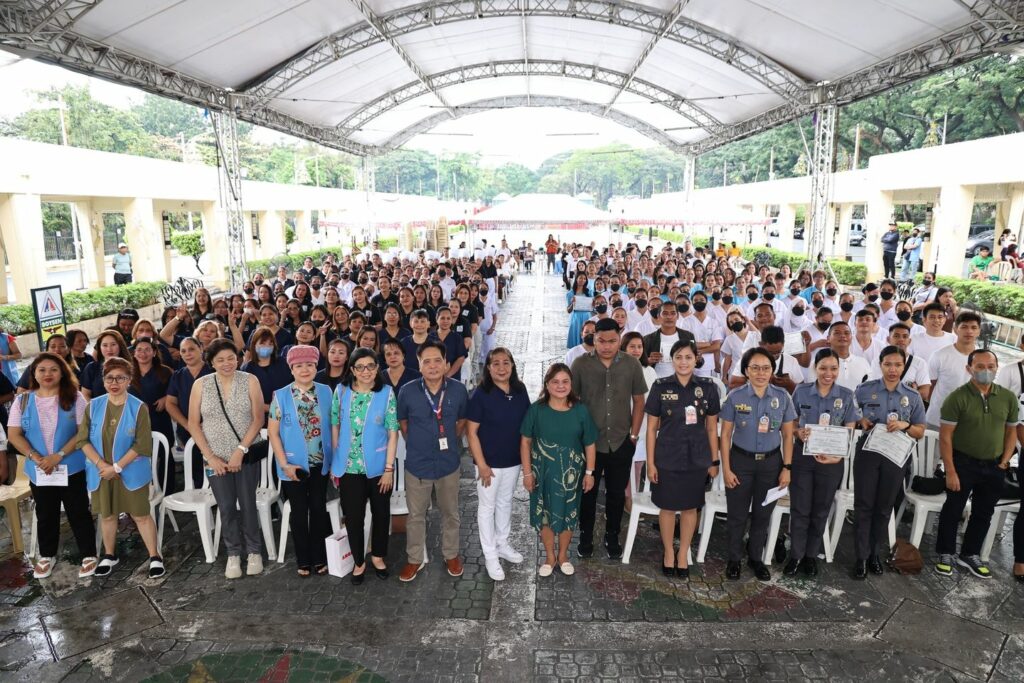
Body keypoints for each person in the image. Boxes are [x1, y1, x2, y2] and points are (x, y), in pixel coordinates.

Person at [7, 353, 95, 580]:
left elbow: (83, 432)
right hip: (39, 470)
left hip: (71, 467)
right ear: (33, 373)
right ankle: (47, 555)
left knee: (78, 511)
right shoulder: (22, 401)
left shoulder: (75, 397)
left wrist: (58, 456)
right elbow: (14, 435)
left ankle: (88, 553)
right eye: (42, 370)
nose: (48, 374)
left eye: (54, 369)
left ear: (62, 373)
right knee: (46, 512)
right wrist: (36, 457)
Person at [934, 349, 1018, 579]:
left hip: (994, 466)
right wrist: (950, 470)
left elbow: (1011, 431)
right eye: (980, 366)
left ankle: (970, 554)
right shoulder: (957, 397)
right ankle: (945, 552)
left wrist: (1004, 461)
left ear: (997, 368)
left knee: (984, 512)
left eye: (991, 366)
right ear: (969, 369)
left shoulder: (1007, 397)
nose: (986, 371)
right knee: (953, 509)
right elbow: (945, 437)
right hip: (963, 463)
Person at [188, 338, 267, 579]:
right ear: (211, 362)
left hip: (245, 455)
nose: (227, 363)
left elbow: (258, 419)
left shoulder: (250, 380)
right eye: (220, 360)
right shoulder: (201, 384)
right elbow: (193, 423)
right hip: (215, 459)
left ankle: (254, 551)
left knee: (248, 503)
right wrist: (210, 457)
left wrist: (240, 450)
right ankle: (233, 553)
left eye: (231, 358)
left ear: (238, 358)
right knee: (226, 506)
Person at [77, 357, 163, 578]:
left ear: (129, 380)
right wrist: (102, 465)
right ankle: (109, 554)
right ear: (103, 380)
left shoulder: (138, 407)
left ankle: (154, 556)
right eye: (109, 378)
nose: (114, 383)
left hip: (130, 471)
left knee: (141, 515)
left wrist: (116, 467)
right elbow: (82, 440)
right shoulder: (93, 406)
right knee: (107, 515)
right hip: (101, 472)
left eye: (120, 378)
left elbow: (142, 445)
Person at [571, 318, 647, 559]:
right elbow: (572, 401)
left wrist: (633, 436)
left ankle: (612, 536)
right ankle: (585, 537)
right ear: (593, 339)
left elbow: (639, 401)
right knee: (587, 494)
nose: (606, 346)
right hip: (589, 444)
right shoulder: (581, 364)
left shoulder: (631, 364)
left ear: (619, 338)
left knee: (615, 494)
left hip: (621, 441)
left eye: (612, 341)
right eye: (601, 341)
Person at [719, 347, 796, 582]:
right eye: (755, 368)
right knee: (737, 515)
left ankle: (755, 558)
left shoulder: (782, 397)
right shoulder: (735, 397)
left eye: (766, 368)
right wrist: (726, 469)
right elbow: (725, 435)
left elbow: (788, 436)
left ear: (772, 371)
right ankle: (734, 559)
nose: (761, 373)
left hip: (771, 464)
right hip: (740, 462)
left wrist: (787, 468)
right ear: (746, 371)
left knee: (763, 514)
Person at [644, 340, 720, 578]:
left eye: (688, 357)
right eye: (678, 357)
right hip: (667, 458)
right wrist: (651, 463)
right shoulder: (660, 386)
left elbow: (712, 428)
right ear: (672, 360)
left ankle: (683, 552)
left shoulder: (708, 387)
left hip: (697, 459)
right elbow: (651, 429)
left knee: (690, 508)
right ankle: (668, 552)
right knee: (667, 508)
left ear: (696, 359)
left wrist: (714, 461)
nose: (683, 362)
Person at [396, 341, 469, 582]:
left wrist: (449, 439)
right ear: (419, 365)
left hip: (448, 463)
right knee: (416, 515)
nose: (433, 366)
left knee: (450, 513)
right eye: (426, 361)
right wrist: (417, 442)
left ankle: (451, 554)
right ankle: (414, 559)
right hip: (418, 464)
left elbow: (461, 421)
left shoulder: (458, 390)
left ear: (446, 363)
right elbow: (403, 423)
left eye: (437, 360)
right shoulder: (407, 391)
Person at [852, 346, 926, 579]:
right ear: (880, 365)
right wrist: (861, 420)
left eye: (898, 365)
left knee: (885, 507)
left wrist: (906, 425)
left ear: (904, 367)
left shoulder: (912, 396)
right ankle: (861, 557)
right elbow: (850, 416)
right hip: (868, 454)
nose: (893, 369)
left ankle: (874, 553)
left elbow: (920, 431)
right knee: (864, 505)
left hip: (895, 456)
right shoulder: (865, 390)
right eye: (888, 364)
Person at [787, 349, 860, 577]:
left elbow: (850, 429)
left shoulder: (846, 396)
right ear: (815, 368)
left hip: (831, 462)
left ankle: (811, 556)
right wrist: (798, 432)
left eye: (833, 368)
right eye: (823, 368)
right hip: (803, 458)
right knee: (800, 508)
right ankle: (796, 555)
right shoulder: (802, 391)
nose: (828, 373)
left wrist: (838, 456)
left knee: (820, 510)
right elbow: (792, 422)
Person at [520, 363, 597, 577]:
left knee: (568, 513)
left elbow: (590, 443)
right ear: (547, 384)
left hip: (570, 474)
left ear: (571, 384)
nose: (560, 386)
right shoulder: (536, 409)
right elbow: (525, 442)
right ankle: (549, 556)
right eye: (555, 382)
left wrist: (589, 473)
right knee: (545, 514)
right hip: (542, 473)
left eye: (565, 381)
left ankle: (563, 556)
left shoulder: (580, 410)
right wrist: (527, 473)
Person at [330, 347, 399, 583]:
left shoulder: (386, 393)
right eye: (360, 367)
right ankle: (358, 561)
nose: (365, 371)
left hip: (379, 468)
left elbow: (392, 433)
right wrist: (336, 459)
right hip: (349, 468)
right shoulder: (341, 391)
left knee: (381, 514)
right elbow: (335, 424)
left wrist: (389, 469)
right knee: (353, 517)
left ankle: (378, 556)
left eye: (370, 366)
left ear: (377, 368)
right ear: (352, 369)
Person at [269, 345, 335, 578]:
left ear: (316, 367)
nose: (304, 369)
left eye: (309, 365)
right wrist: (284, 464)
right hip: (292, 466)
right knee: (298, 512)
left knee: (318, 508)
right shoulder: (281, 395)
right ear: (291, 369)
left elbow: (334, 426)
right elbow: (273, 433)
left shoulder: (326, 391)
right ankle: (303, 559)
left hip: (320, 464)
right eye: (299, 365)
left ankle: (319, 557)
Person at [467, 348, 531, 581]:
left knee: (505, 502)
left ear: (512, 365)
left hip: (512, 461)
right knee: (487, 507)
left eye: (506, 363)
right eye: (496, 363)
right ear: (488, 368)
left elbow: (527, 426)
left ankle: (502, 543)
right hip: (489, 465)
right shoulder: (480, 394)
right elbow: (471, 433)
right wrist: (482, 465)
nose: (501, 368)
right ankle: (490, 555)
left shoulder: (520, 390)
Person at [165, 337, 211, 489]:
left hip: (213, 430)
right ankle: (199, 498)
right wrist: (188, 425)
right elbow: (170, 403)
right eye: (183, 351)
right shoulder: (178, 376)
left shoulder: (213, 372)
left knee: (214, 469)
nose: (187, 354)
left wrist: (208, 423)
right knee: (195, 470)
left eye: (191, 349)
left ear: (201, 349)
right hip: (187, 432)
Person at [132, 337, 175, 493]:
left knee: (164, 455)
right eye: (139, 350)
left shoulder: (165, 372)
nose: (143, 353)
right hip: (136, 423)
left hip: (160, 420)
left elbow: (175, 392)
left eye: (147, 350)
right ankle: (144, 491)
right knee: (139, 457)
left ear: (154, 352)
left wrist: (166, 399)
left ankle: (167, 492)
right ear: (134, 353)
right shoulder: (128, 373)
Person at [925, 311, 980, 429]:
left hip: (966, 422)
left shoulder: (984, 358)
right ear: (955, 329)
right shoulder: (940, 355)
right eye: (964, 327)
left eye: (974, 327)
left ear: (979, 331)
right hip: (937, 419)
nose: (969, 331)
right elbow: (930, 385)